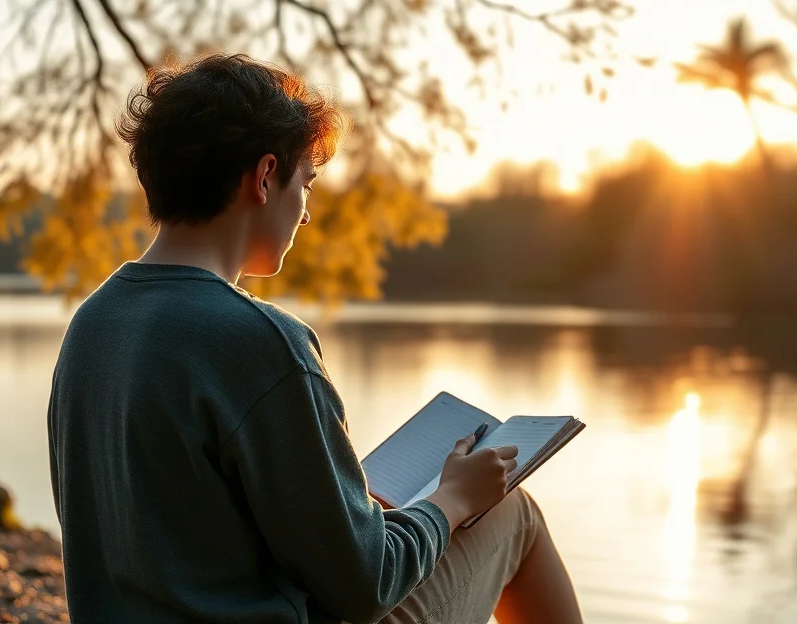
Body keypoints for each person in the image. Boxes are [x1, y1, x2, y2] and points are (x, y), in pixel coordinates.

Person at [46, 52, 583, 624]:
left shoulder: (93, 323)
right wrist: (453, 499)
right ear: (265, 177)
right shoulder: (261, 341)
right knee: (513, 513)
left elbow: (187, 532)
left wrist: (347, 509)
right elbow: (366, 586)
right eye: (306, 182)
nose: (305, 214)